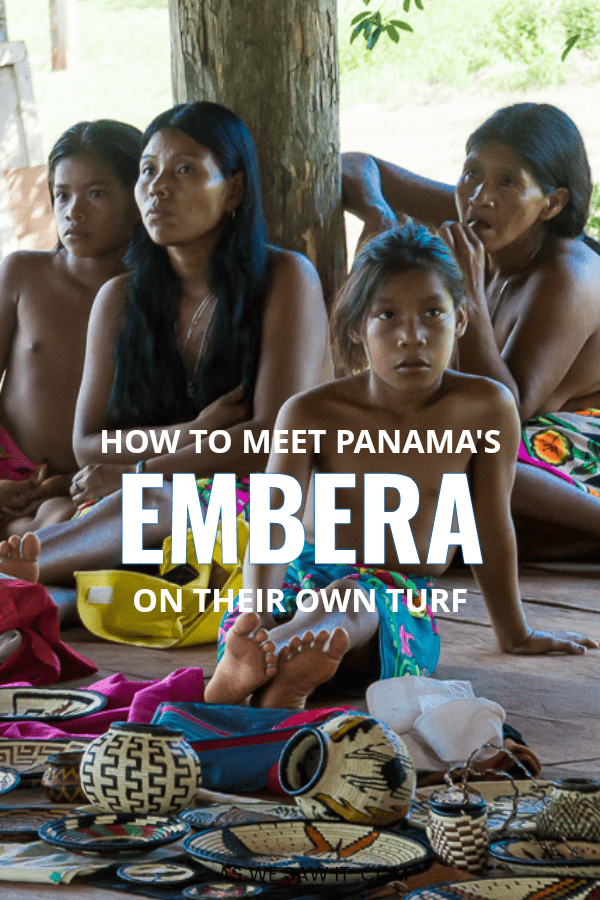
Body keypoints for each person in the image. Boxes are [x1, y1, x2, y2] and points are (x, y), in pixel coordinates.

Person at [207, 225, 597, 711]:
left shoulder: (485, 407)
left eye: (432, 313)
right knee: (275, 618)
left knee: (350, 599)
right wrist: (258, 615)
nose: (411, 336)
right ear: (357, 329)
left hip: (397, 595)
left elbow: (489, 526)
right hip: (296, 579)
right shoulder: (310, 412)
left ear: (459, 320)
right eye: (387, 315)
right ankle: (266, 663)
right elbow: (272, 525)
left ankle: (271, 667)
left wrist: (515, 633)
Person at [33, 101, 331, 585]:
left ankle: (16, 576)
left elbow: (274, 437)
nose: (158, 186)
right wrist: (192, 432)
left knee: (147, 506)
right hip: (159, 513)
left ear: (234, 189)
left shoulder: (285, 279)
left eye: (185, 169)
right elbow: (88, 443)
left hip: (278, 519)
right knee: (75, 524)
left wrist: (142, 472)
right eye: (147, 170)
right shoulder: (119, 299)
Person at [342, 103, 600, 559]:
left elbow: (504, 416)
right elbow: (358, 165)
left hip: (574, 443)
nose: (481, 195)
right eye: (471, 173)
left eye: (507, 181)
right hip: (513, 441)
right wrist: (380, 214)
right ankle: (571, 544)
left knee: (457, 466)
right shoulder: (481, 216)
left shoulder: (566, 276)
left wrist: (469, 299)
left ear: (552, 203)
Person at [0, 120, 142, 538]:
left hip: (83, 488)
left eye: (96, 194)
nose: (73, 211)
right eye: (62, 195)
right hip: (8, 473)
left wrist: (70, 483)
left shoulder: (153, 300)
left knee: (58, 525)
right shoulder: (23, 274)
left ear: (138, 199)